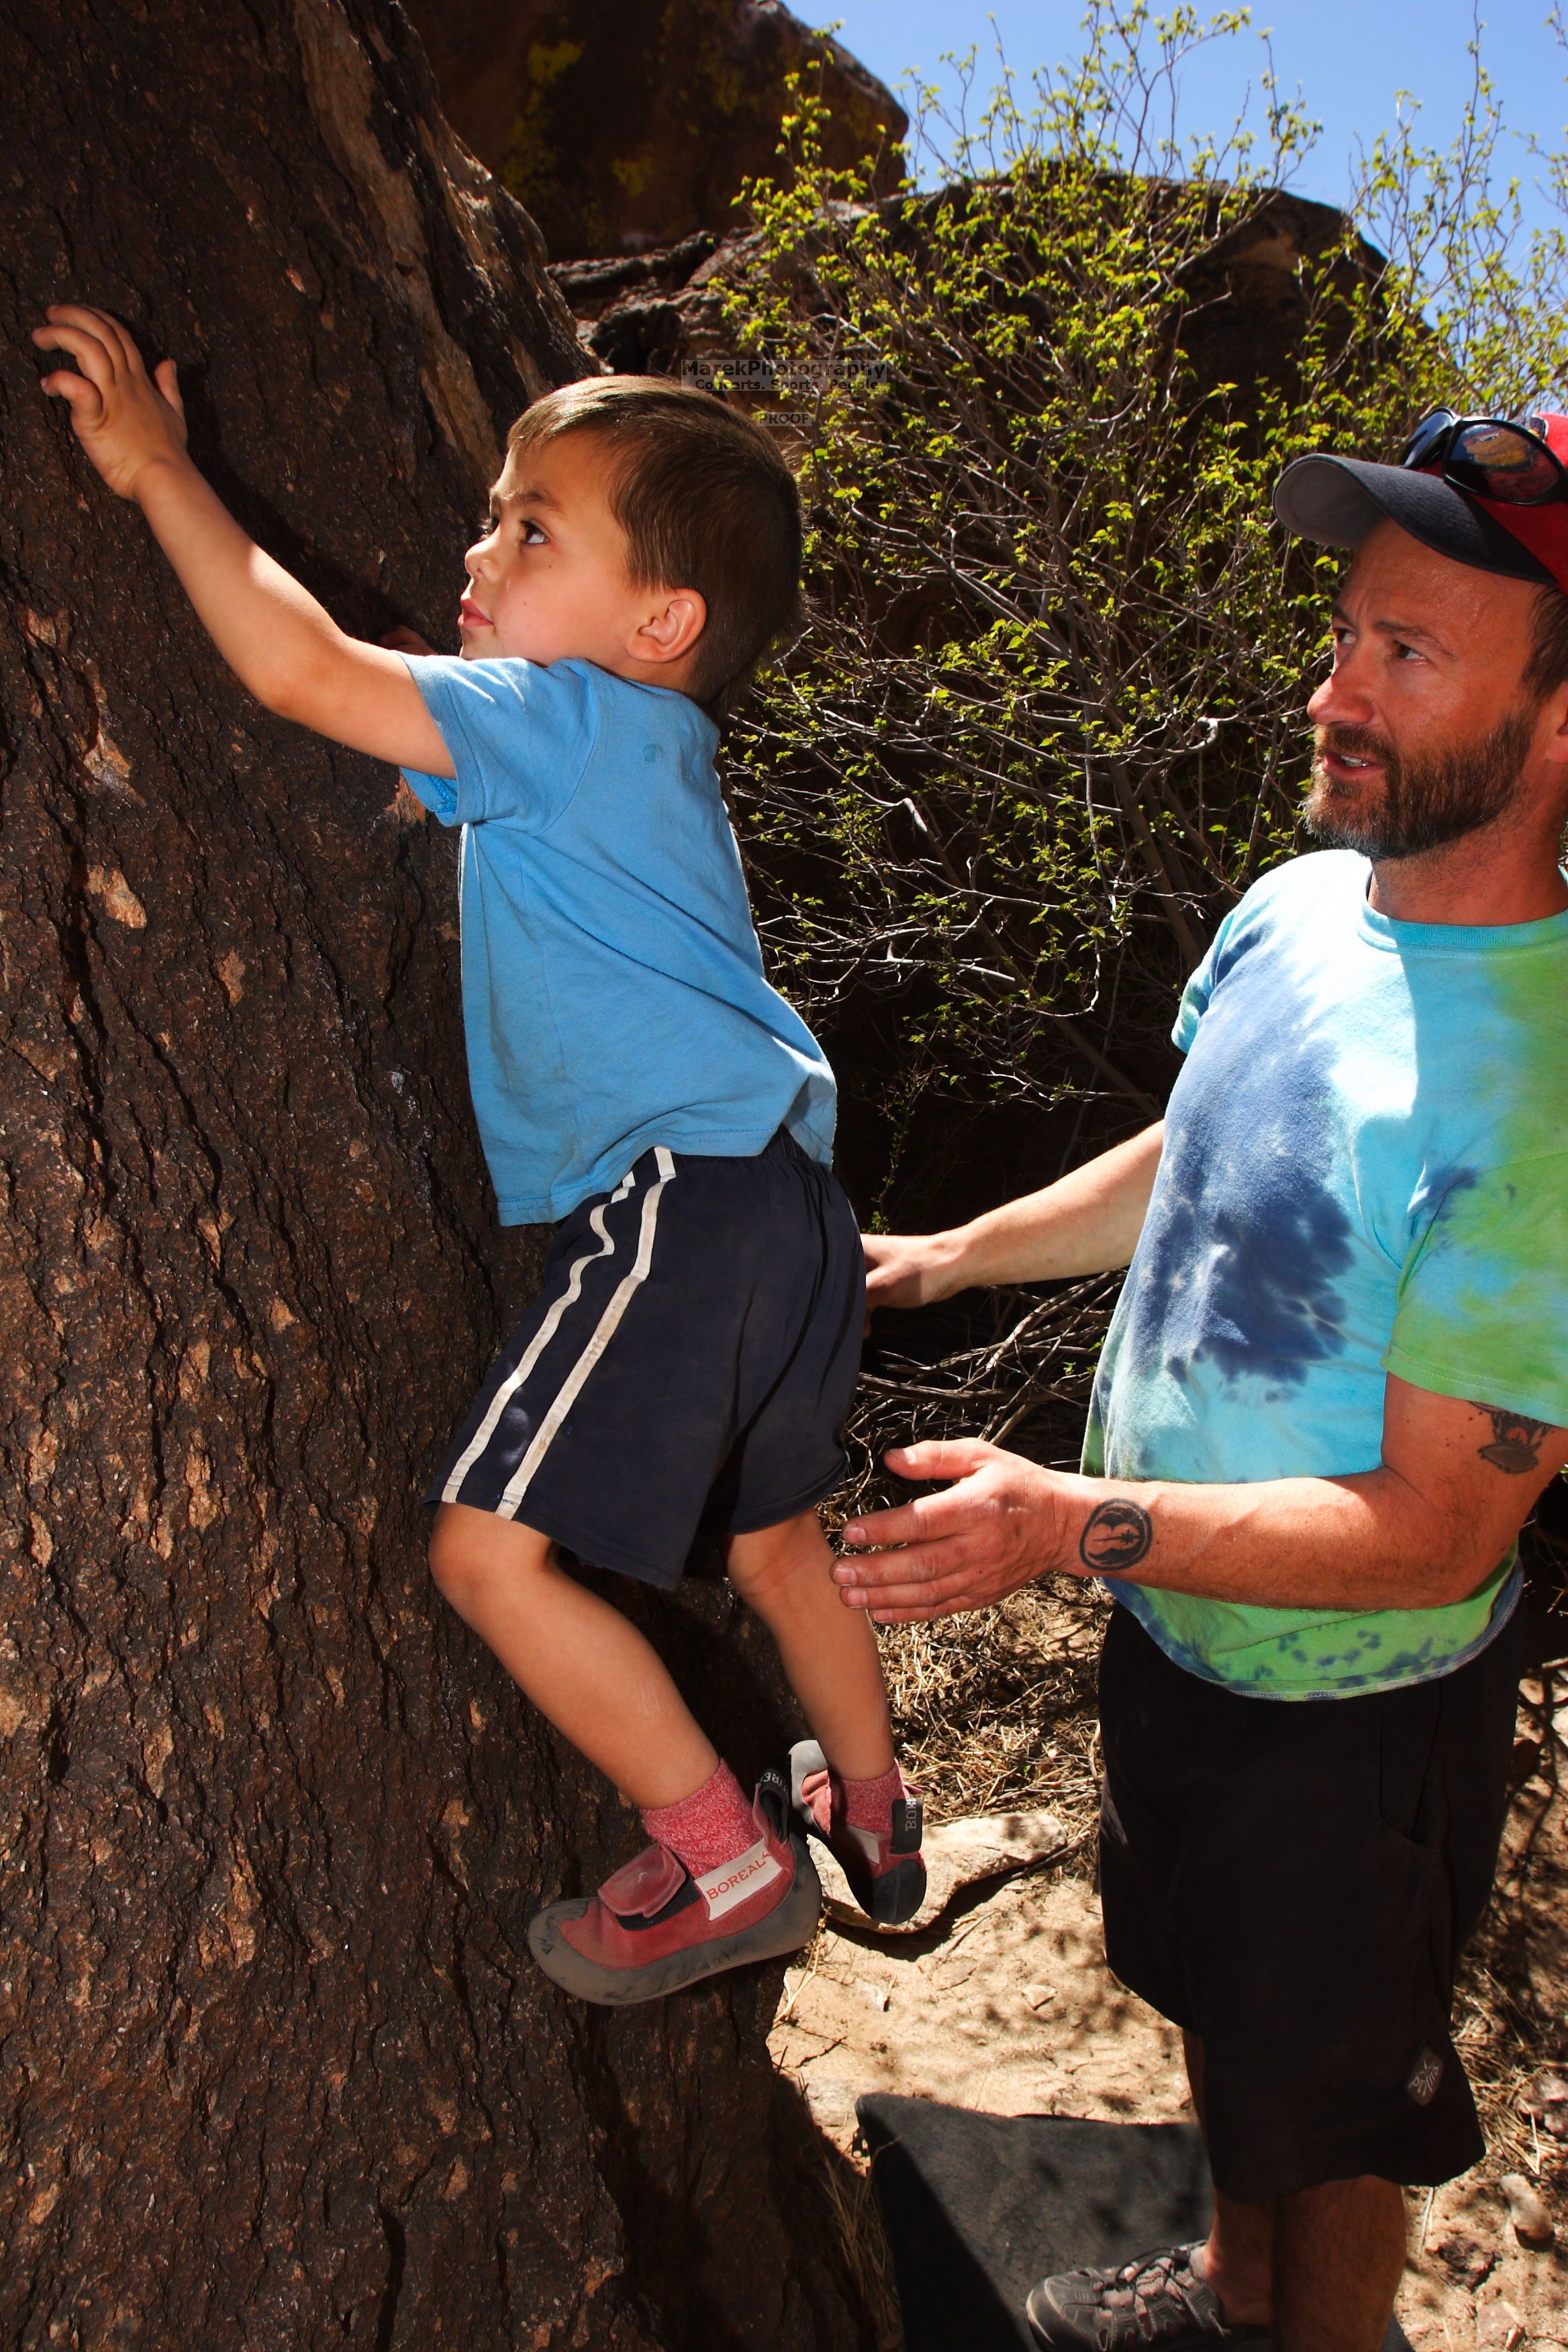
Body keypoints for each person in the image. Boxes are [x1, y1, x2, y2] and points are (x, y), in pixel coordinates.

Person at [32, 304, 924, 2006]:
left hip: (683, 1192)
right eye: (493, 513)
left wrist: (159, 471)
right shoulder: (652, 754)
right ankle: (872, 1818)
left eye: (532, 529)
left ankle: (724, 1862)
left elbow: (302, 675)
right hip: (793, 1206)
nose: (482, 546)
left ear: (660, 619)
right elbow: (408, 749)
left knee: (482, 1554)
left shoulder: (558, 714)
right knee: (774, 1548)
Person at [845, 409, 1568, 2350]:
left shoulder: (1546, 1095)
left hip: (1355, 1726)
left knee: (1327, 2115)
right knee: (1227, 2031)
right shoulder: (1302, 903)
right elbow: (1204, 1144)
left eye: (1408, 655)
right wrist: (959, 1252)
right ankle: (1238, 2302)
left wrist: (1064, 1526)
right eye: (1344, 631)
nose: (1332, 692)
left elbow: (1434, 1537)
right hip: (1177, 1636)